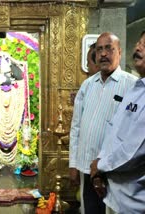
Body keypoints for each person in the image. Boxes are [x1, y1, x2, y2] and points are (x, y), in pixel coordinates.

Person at [69, 32, 137, 214]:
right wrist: (73, 164)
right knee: (89, 210)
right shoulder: (88, 85)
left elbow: (135, 134)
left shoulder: (132, 86)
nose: (104, 54)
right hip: (85, 168)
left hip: (114, 174)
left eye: (109, 48)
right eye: (99, 49)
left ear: (119, 52)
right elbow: (76, 126)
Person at [90, 31, 145, 214]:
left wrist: (100, 166)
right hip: (114, 193)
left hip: (133, 202)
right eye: (138, 43)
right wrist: (99, 170)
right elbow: (114, 132)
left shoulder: (129, 83)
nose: (137, 48)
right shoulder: (137, 89)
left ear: (118, 53)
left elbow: (133, 150)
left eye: (144, 45)